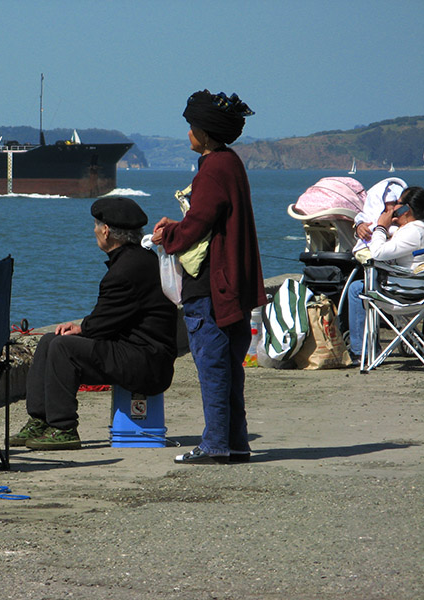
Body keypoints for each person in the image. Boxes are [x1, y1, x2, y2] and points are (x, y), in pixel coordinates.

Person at [10, 196, 178, 451]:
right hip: (138, 351)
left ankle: (63, 427)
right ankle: (40, 419)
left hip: (147, 361)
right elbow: (113, 315)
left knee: (62, 347)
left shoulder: (125, 270)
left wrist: (82, 328)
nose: (94, 231)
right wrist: (84, 328)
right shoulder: (135, 259)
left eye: (96, 226)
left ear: (107, 231)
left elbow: (103, 323)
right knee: (48, 341)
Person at [152, 90, 265, 465]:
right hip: (234, 283)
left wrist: (169, 236)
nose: (188, 134)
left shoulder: (212, 167)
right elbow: (209, 218)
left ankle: (216, 444)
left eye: (192, 127)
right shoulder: (230, 162)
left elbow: (199, 222)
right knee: (230, 366)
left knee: (212, 365)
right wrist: (181, 225)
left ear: (205, 132)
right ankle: (235, 442)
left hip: (212, 286)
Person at [347, 186, 424, 358]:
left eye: (397, 204)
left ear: (407, 209)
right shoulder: (420, 229)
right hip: (419, 289)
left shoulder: (413, 232)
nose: (392, 209)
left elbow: (378, 253)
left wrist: (381, 227)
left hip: (404, 294)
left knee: (356, 289)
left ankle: (361, 352)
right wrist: (362, 225)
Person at [352, 177, 407, 259]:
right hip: (374, 252)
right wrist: (360, 226)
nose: (392, 209)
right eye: (387, 205)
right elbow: (363, 224)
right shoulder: (369, 218)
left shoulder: (405, 220)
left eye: (396, 204)